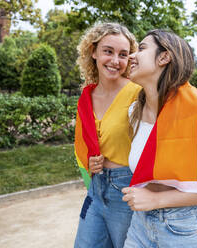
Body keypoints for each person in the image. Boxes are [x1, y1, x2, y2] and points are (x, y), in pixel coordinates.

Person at [121, 30, 197, 248]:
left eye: (141, 48)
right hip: (140, 224)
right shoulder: (135, 111)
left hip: (181, 228)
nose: (131, 56)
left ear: (164, 57)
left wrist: (157, 200)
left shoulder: (196, 112)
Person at [73, 22, 141, 248]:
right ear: (93, 52)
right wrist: (90, 160)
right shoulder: (86, 97)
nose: (115, 61)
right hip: (96, 186)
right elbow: (85, 143)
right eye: (108, 51)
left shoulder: (138, 93)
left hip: (127, 188)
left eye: (123, 54)